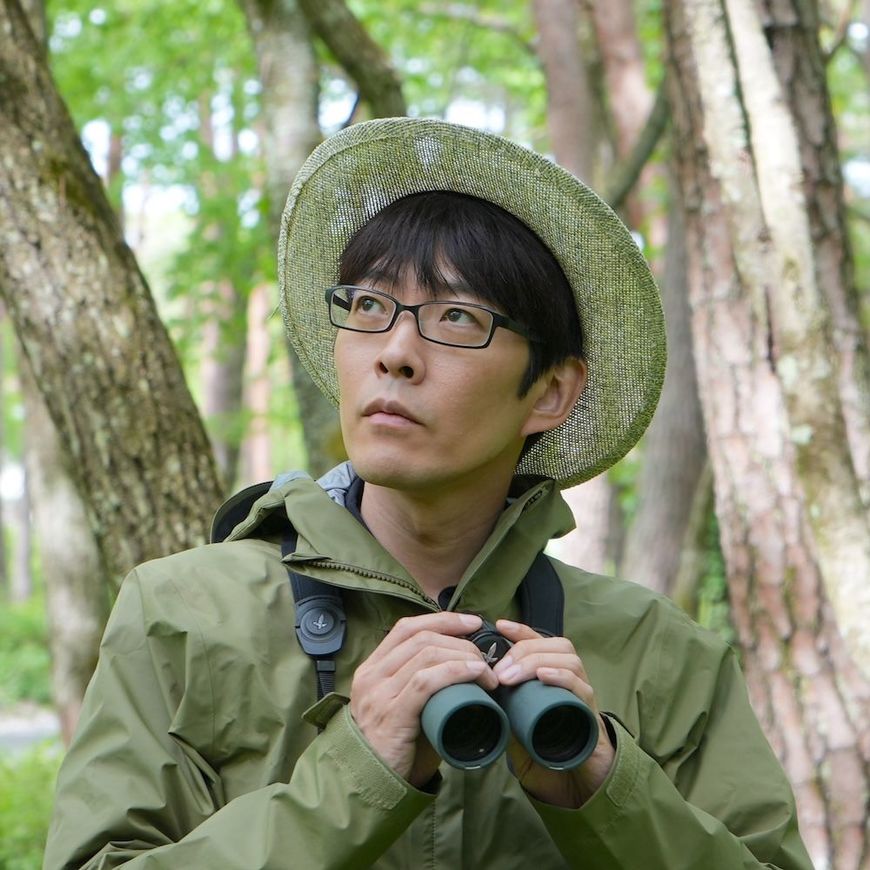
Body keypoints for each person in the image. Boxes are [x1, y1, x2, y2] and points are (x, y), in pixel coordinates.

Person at [44, 118, 813, 869]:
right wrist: (353, 777)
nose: (396, 353)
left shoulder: (658, 656)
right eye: (369, 307)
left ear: (551, 391)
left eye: (456, 317)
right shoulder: (183, 616)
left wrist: (608, 790)